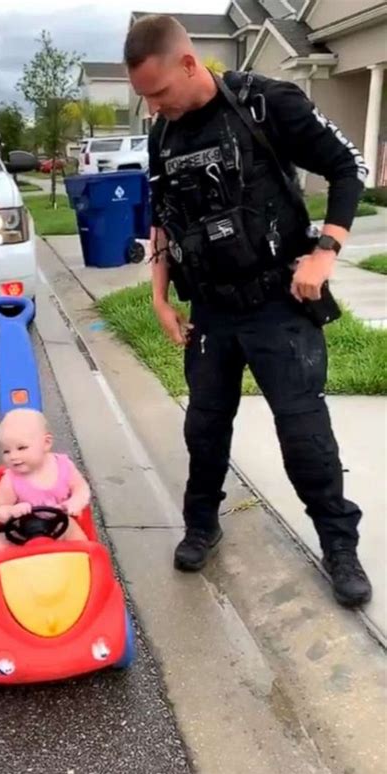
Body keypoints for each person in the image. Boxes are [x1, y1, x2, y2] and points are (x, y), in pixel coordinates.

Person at [124, 14, 372, 608]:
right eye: (145, 99)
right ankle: (202, 524)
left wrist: (326, 252)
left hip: (276, 306)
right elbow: (162, 215)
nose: (154, 109)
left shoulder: (266, 104)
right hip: (210, 309)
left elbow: (348, 167)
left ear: (190, 64)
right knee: (204, 428)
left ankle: (339, 545)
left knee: (304, 436)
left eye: (158, 93)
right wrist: (160, 295)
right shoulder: (163, 134)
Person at [0, 408, 90, 553]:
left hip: (60, 526)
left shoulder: (64, 466)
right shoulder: (10, 479)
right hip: (22, 532)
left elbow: (82, 489)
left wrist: (74, 502)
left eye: (21, 448)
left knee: (82, 546)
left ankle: (86, 571)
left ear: (46, 443)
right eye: (6, 451)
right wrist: (11, 511)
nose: (13, 456)